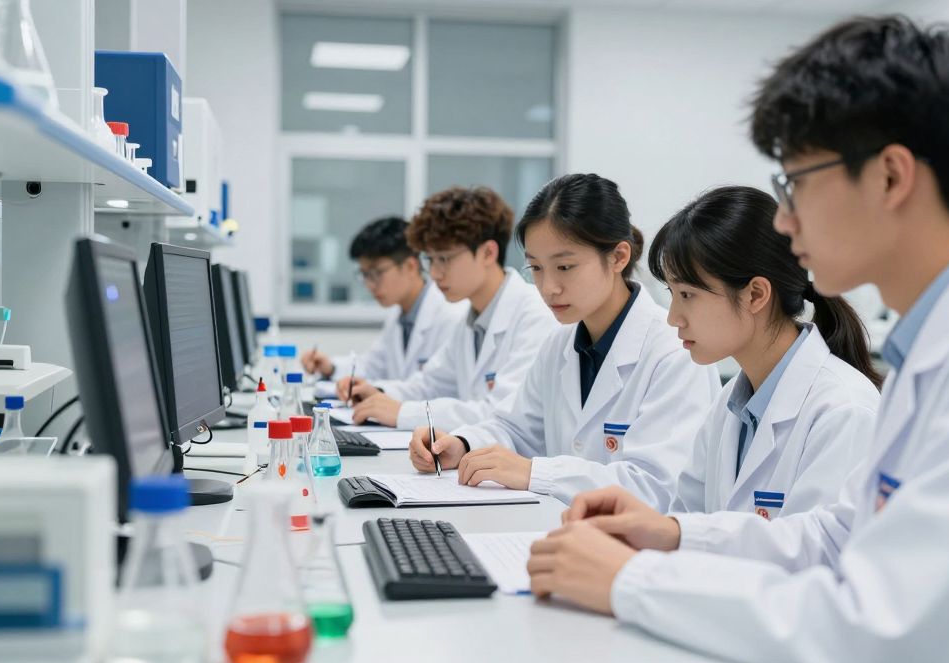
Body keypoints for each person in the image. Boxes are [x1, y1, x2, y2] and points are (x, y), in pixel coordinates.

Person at [527, 15, 949, 663]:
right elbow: (840, 533)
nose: (784, 219)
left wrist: (629, 581)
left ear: (891, 177)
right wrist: (669, 532)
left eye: (797, 183)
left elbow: (884, 634)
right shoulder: (936, 346)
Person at [408, 174, 720, 509]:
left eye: (565, 266)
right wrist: (462, 444)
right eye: (537, 268)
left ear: (618, 257)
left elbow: (656, 488)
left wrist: (536, 473)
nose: (548, 287)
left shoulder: (673, 352)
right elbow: (516, 428)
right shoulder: (560, 344)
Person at [650, 185, 880, 520]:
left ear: (756, 294)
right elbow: (683, 525)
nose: (672, 317)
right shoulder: (732, 404)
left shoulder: (843, 411)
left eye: (687, 295)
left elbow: (817, 556)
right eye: (671, 293)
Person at [339, 186, 557, 431]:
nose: (434, 273)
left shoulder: (534, 315)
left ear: (487, 253)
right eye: (430, 260)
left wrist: (402, 412)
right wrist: (377, 393)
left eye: (444, 259)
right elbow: (429, 384)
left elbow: (501, 413)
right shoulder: (472, 319)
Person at [300, 216, 464, 382]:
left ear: (410, 267)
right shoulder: (398, 316)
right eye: (364, 275)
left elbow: (436, 389)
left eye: (376, 273)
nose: (369, 284)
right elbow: (373, 367)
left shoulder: (450, 316)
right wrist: (331, 367)